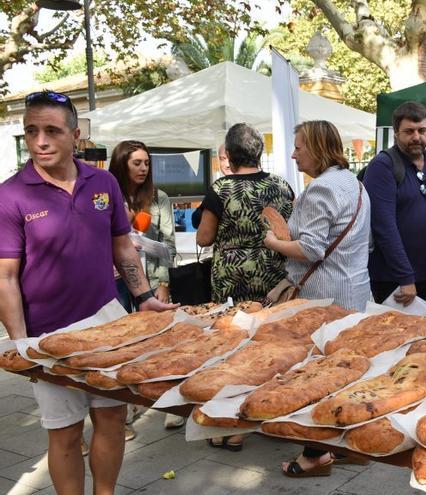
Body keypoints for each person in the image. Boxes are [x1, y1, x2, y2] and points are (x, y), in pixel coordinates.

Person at [0, 90, 176, 495]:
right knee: (64, 433)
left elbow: (121, 245)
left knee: (112, 419)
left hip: (107, 325)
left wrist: (144, 296)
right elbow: (6, 277)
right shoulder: (11, 195)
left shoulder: (104, 183)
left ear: (75, 135)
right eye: (31, 131)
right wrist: (21, 342)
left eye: (52, 131)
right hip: (49, 336)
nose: (40, 141)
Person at [264, 120, 371, 477]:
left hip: (324, 297)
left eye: (299, 147)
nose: (293, 153)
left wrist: (273, 243)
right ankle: (346, 443)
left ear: (319, 148)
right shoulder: (353, 184)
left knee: (320, 375)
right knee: (347, 370)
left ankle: (315, 455)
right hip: (353, 290)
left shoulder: (321, 188)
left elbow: (310, 248)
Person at [107, 140, 183, 433]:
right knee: (123, 342)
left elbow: (169, 244)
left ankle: (169, 403)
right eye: (136, 163)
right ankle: (125, 405)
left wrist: (163, 281)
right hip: (115, 279)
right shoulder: (108, 196)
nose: (143, 168)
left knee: (160, 343)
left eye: (146, 163)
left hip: (150, 278)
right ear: (122, 164)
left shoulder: (158, 197)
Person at [363, 101, 426, 314]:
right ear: (396, 133)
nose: (416, 137)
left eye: (422, 130)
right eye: (409, 131)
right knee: (397, 342)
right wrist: (405, 277)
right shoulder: (382, 166)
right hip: (395, 280)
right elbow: (383, 226)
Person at [197, 123, 295, 304]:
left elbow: (204, 239)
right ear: (259, 153)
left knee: (232, 329)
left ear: (230, 154)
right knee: (273, 328)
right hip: (274, 276)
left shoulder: (221, 188)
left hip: (231, 280)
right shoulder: (281, 186)